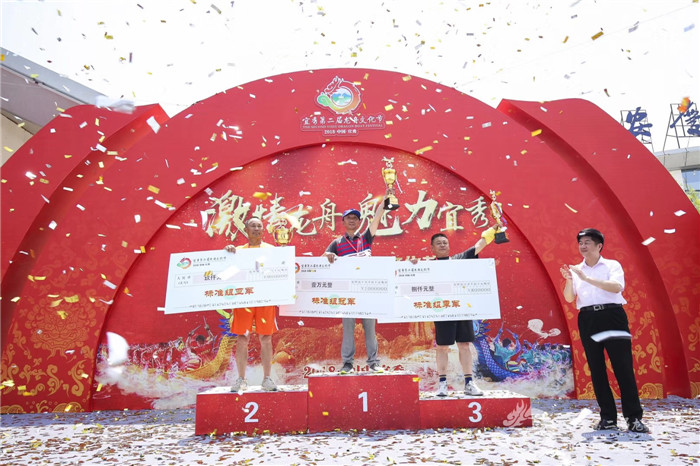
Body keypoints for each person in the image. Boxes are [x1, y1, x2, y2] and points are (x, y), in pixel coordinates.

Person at [559, 228, 650, 433]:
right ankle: (608, 418)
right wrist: (570, 279)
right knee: (597, 369)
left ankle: (633, 418)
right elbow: (569, 298)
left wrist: (586, 278)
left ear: (599, 246)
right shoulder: (577, 270)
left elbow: (616, 287)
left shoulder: (611, 265)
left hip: (613, 316)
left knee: (623, 367)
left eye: (587, 242)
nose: (583, 246)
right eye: (580, 243)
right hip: (588, 318)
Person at [426, 224, 500, 397]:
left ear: (449, 246)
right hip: (442, 311)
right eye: (438, 243)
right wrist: (414, 265)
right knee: (442, 347)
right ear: (432, 248)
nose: (442, 245)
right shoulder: (427, 266)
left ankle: (469, 383)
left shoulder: (459, 259)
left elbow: (479, 245)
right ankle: (442, 384)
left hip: (462, 309)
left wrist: (492, 231)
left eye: (445, 242)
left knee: (464, 345)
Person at [322, 192, 388, 374]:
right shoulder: (336, 243)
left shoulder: (366, 238)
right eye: (348, 218)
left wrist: (385, 200)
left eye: (355, 218)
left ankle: (374, 363)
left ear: (359, 222)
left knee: (370, 330)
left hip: (367, 292)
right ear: (343, 222)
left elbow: (377, 217)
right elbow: (321, 261)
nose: (352, 221)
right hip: (348, 294)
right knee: (348, 330)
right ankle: (347, 364)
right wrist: (328, 255)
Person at [225, 217, 278, 392]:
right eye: (252, 226)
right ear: (246, 230)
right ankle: (241, 379)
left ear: (263, 230)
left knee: (266, 338)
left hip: (265, 298)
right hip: (244, 299)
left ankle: (267, 379)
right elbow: (227, 270)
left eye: (259, 226)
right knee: (242, 338)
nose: (256, 229)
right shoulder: (238, 251)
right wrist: (227, 253)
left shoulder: (272, 250)